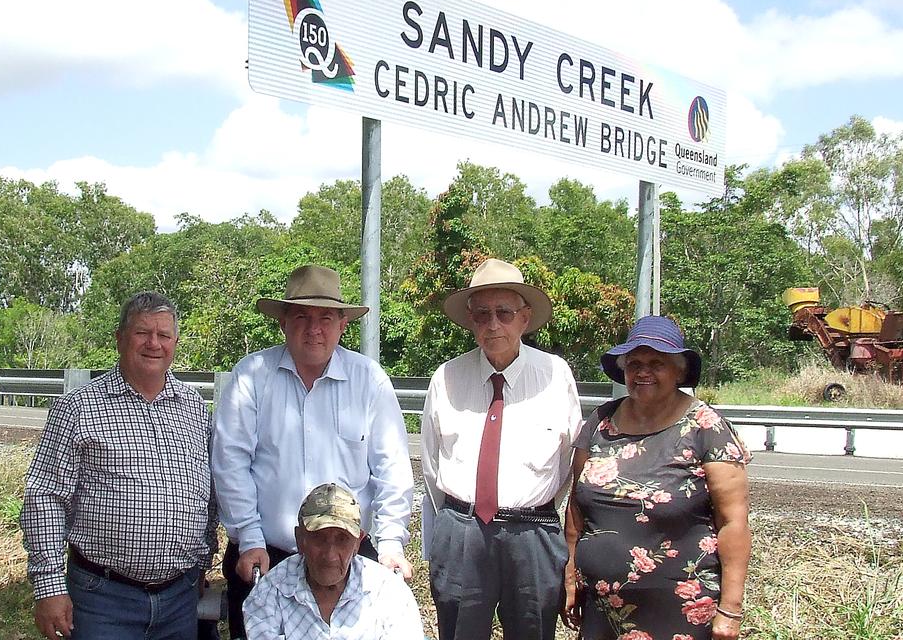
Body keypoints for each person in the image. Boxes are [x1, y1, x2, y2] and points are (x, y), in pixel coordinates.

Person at [212, 264, 415, 639]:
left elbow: (393, 469)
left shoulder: (369, 380)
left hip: (350, 559)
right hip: (264, 557)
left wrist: (389, 543)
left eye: (325, 318)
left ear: (342, 325)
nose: (314, 328)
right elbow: (230, 463)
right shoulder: (251, 377)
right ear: (283, 323)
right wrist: (250, 538)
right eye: (302, 316)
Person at [21, 291, 216, 640]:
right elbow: (44, 497)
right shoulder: (78, 408)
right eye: (142, 332)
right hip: (103, 598)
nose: (153, 343)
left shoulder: (195, 410)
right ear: (120, 338)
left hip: (179, 599)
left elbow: (210, 497)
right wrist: (49, 587)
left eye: (164, 335)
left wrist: (202, 562)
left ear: (175, 342)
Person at [421, 258, 583, 640]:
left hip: (533, 533)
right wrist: (456, 524)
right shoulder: (446, 377)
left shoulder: (555, 375)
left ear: (525, 318)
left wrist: (531, 508)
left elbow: (569, 463)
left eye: (504, 313)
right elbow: (430, 463)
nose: (493, 325)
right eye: (482, 315)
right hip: (461, 529)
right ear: (470, 320)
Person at [563, 315, 751, 640]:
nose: (643, 371)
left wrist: (731, 609)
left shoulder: (707, 428)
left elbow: (733, 523)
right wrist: (570, 576)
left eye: (656, 363)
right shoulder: (600, 422)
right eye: (634, 363)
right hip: (602, 608)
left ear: (679, 370)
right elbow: (576, 509)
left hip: (679, 609)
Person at [243, 483, 424, 639]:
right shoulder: (269, 592)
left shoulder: (388, 592)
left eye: (342, 539)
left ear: (357, 543)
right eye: (318, 538)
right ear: (300, 539)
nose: (329, 555)